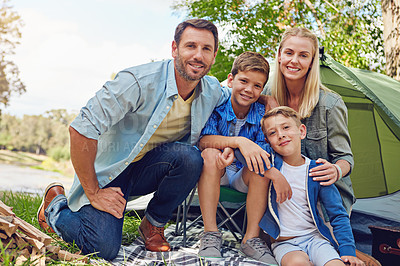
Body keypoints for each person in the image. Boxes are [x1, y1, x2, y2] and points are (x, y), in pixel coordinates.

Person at [36, 19, 231, 260]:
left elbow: (243, 93)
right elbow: (81, 128)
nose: (198, 55)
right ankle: (55, 206)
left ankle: (153, 224)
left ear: (214, 55)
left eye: (206, 49)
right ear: (174, 48)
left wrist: (269, 103)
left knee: (190, 157)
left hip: (148, 168)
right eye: (190, 46)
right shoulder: (138, 81)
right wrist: (94, 192)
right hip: (110, 171)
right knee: (102, 247)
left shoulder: (211, 90)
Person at [197, 51, 291, 264]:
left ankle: (251, 238)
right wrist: (237, 142)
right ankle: (211, 233)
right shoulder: (217, 105)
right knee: (210, 154)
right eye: (243, 81)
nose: (249, 90)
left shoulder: (261, 114)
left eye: (257, 86)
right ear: (231, 80)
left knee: (260, 166)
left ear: (262, 89)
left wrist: (242, 152)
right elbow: (203, 140)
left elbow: (262, 153)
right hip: (216, 172)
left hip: (243, 176)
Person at [260, 106, 364, 266]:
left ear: (302, 131)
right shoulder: (270, 161)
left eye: (286, 127)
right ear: (267, 141)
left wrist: (348, 251)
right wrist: (273, 174)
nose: (281, 135)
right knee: (297, 264)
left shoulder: (317, 170)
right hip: (285, 243)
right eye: (272, 133)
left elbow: (337, 214)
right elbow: (243, 154)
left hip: (315, 239)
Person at [268, 27, 355, 215]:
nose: (294, 61)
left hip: (325, 199)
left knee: (331, 242)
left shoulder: (330, 104)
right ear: (279, 56)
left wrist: (336, 170)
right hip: (282, 194)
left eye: (303, 55)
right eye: (289, 53)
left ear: (311, 62)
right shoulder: (266, 94)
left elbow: (345, 158)